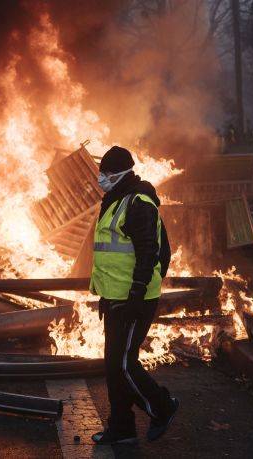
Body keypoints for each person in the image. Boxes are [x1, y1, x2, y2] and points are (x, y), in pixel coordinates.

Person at [90, 146, 178, 445]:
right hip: (115, 298)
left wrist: (137, 295)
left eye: (105, 173)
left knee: (124, 364)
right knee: (113, 366)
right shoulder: (115, 200)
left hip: (133, 301)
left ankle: (162, 407)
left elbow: (151, 253)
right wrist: (106, 295)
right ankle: (122, 428)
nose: (101, 177)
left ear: (120, 173)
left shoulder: (139, 202)